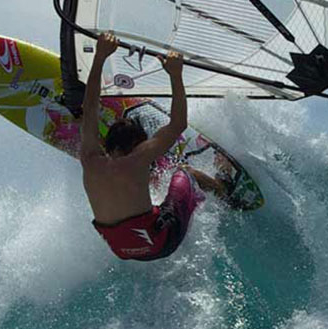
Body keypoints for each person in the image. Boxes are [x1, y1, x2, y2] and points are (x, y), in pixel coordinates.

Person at [81, 32, 225, 261]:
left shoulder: (89, 159)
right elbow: (178, 124)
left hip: (122, 250)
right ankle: (221, 189)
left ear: (108, 146)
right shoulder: (137, 161)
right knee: (185, 173)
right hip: (162, 242)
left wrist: (99, 58)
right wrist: (175, 75)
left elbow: (89, 108)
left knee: (147, 197)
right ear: (137, 147)